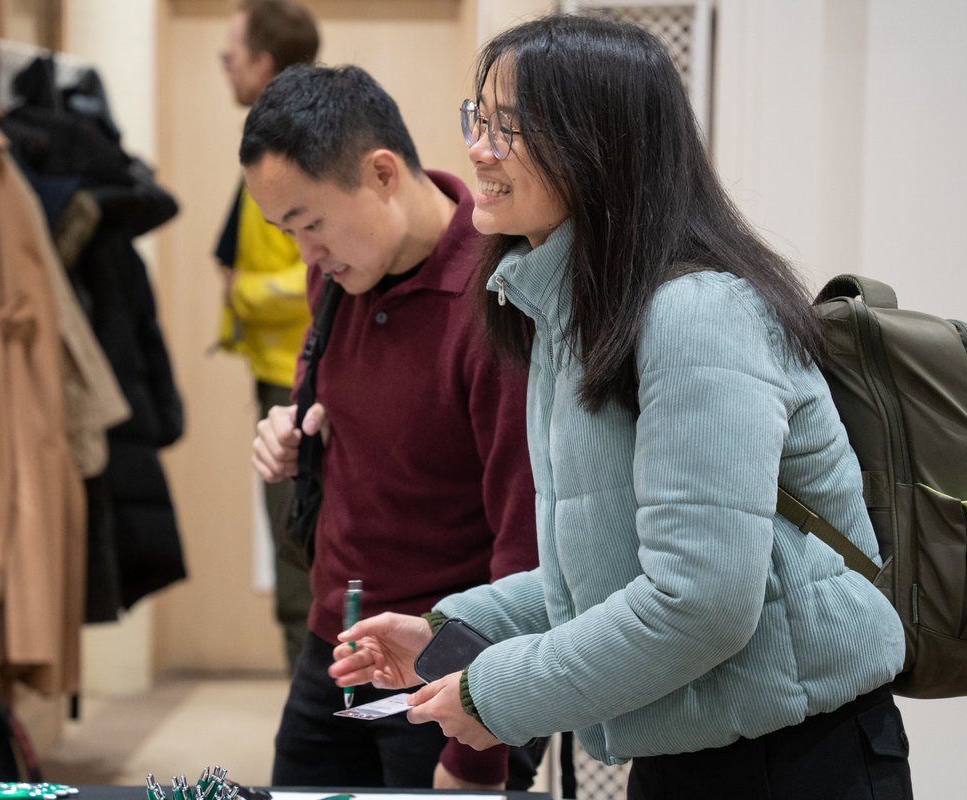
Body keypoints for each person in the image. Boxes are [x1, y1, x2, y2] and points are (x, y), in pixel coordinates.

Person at [330, 14, 912, 800]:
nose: (478, 150)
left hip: (794, 761)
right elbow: (599, 571)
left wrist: (496, 692)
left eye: (509, 127)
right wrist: (448, 631)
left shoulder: (697, 315)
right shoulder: (574, 315)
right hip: (695, 748)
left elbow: (701, 601)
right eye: (479, 118)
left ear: (597, 143)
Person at [242, 64, 542, 790]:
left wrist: (477, 753)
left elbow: (527, 545)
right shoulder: (339, 274)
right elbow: (336, 403)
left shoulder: (498, 302)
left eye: (311, 224)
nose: (306, 255)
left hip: (447, 673)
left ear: (381, 174)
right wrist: (293, 431)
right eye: (287, 233)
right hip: (335, 645)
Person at [215, 0, 320, 671]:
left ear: (262, 62)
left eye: (229, 56)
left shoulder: (298, 148)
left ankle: (317, 717)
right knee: (296, 567)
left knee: (301, 573)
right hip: (277, 374)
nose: (224, 69)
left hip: (299, 381)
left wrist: (243, 295)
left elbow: (319, 270)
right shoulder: (266, 144)